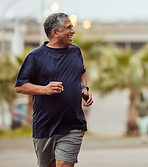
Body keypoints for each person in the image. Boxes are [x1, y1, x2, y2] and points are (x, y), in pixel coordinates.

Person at [15, 12, 93, 167]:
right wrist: (45, 89)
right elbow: (20, 86)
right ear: (55, 33)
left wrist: (84, 88)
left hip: (73, 124)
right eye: (68, 27)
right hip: (45, 126)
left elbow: (82, 71)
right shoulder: (35, 56)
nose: (73, 31)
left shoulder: (75, 51)